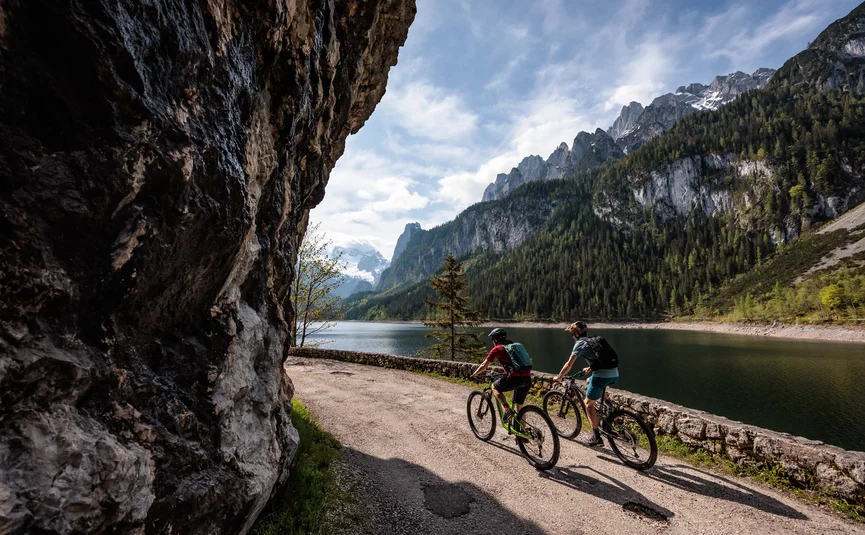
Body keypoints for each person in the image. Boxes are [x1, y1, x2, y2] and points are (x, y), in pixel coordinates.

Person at [554, 321, 619, 447]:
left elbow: (569, 364)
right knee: (589, 380)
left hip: (601, 376)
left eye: (572, 334)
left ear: (576, 334)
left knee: (588, 405)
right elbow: (600, 360)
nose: (572, 336)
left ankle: (596, 437)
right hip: (615, 373)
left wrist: (559, 377)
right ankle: (609, 406)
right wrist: (590, 368)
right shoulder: (594, 340)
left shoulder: (579, 344)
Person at [470, 328, 532, 423]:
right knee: (519, 407)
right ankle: (523, 434)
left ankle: (507, 410)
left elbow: (484, 365)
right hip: (527, 378)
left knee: (494, 387)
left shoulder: (497, 349)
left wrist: (475, 374)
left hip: (514, 378)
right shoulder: (513, 346)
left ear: (495, 340)